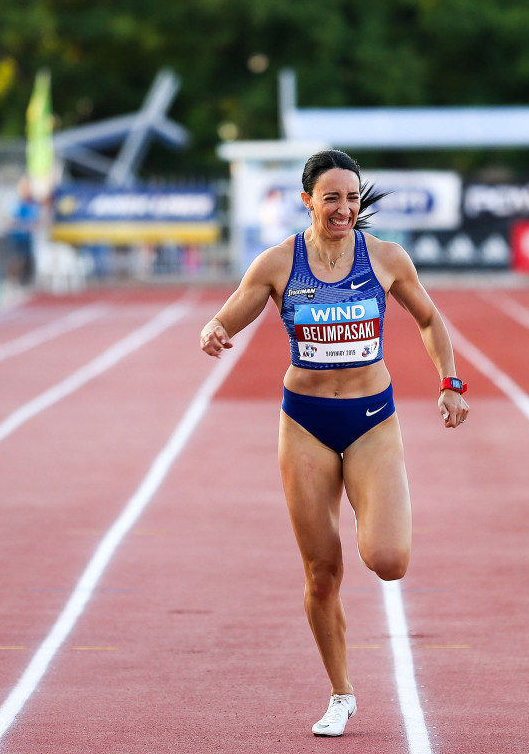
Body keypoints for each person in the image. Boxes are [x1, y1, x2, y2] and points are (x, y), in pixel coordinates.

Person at [199, 149, 468, 737]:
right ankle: (341, 692)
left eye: (352, 198)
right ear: (308, 202)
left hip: (372, 418)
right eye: (331, 198)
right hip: (305, 425)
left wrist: (449, 382)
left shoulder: (387, 259)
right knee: (322, 573)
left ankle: (380, 502)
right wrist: (215, 329)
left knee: (389, 561)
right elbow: (232, 314)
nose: (344, 208)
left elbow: (429, 318)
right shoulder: (277, 264)